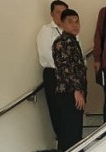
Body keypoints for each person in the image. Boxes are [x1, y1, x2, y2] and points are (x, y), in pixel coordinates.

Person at [52, 9, 87, 152]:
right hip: (69, 93)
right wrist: (77, 90)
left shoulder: (72, 41)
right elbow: (67, 69)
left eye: (77, 21)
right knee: (70, 133)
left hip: (74, 91)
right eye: (70, 22)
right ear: (62, 23)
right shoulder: (63, 42)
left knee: (74, 131)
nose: (75, 25)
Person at [36, 1, 69, 139]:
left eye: (64, 12)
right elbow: (46, 54)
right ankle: (63, 142)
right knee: (57, 111)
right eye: (58, 12)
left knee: (70, 110)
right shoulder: (46, 30)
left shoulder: (70, 30)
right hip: (54, 74)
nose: (61, 15)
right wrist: (66, 67)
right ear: (52, 14)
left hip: (70, 76)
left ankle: (72, 143)